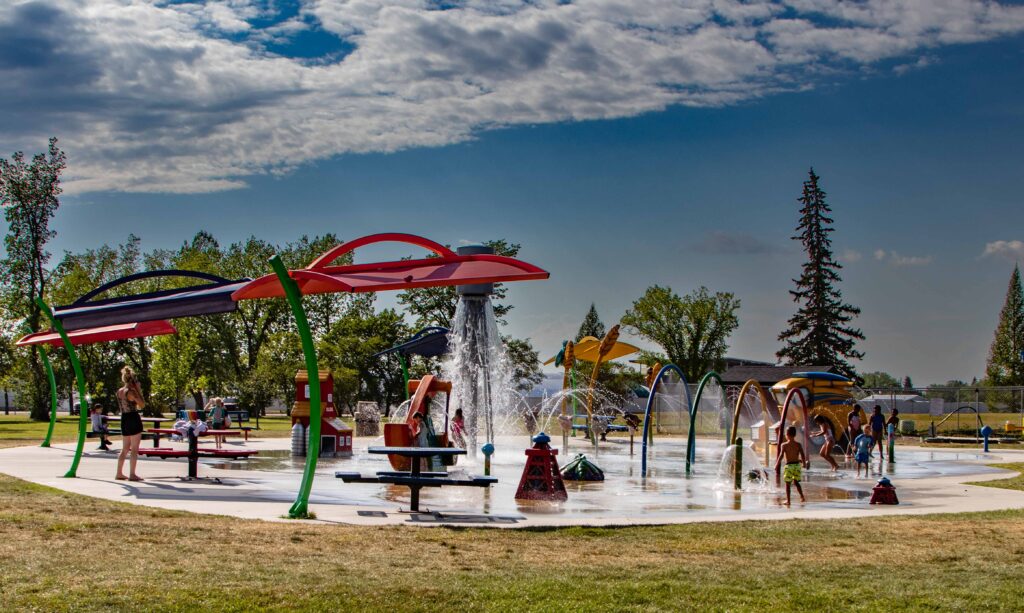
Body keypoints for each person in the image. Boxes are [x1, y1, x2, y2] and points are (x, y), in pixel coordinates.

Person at [115, 366, 146, 482]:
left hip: (124, 418)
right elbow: (142, 405)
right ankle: (132, 474)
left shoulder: (120, 391)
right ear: (133, 380)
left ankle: (119, 473)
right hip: (133, 418)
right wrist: (138, 390)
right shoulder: (131, 391)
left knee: (125, 448)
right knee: (134, 449)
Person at [774, 426, 807, 505]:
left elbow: (781, 456)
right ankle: (802, 496)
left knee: (787, 484)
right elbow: (802, 454)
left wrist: (776, 464)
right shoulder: (798, 444)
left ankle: (788, 501)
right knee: (796, 482)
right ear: (795, 435)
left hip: (789, 466)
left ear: (787, 434)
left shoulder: (784, 445)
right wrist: (804, 463)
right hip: (796, 465)